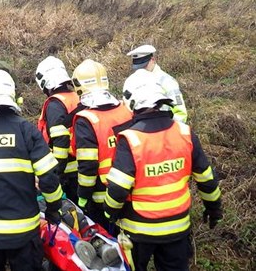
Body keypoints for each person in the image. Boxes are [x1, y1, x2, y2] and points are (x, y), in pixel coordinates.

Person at [104, 69, 222, 271]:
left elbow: (118, 188)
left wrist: (110, 214)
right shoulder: (185, 133)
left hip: (138, 230)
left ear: (133, 102)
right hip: (177, 228)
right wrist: (214, 208)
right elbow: (207, 178)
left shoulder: (130, 139)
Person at [0, 67, 63, 271]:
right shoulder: (26, 130)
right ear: (12, 94)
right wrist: (54, 209)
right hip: (23, 231)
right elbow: (49, 176)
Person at [70, 59, 132, 232]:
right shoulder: (126, 110)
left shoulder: (87, 119)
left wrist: (83, 196)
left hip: (102, 194)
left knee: (110, 243)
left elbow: (87, 165)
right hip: (132, 192)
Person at [35, 56, 81, 203]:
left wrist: (55, 175)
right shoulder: (76, 97)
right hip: (84, 168)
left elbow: (61, 141)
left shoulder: (55, 104)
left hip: (68, 173)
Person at [126, 44, 188, 123]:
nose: (141, 70)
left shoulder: (167, 81)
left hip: (165, 129)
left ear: (152, 60)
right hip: (139, 130)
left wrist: (168, 129)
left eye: (144, 66)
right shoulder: (131, 81)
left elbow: (180, 113)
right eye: (138, 67)